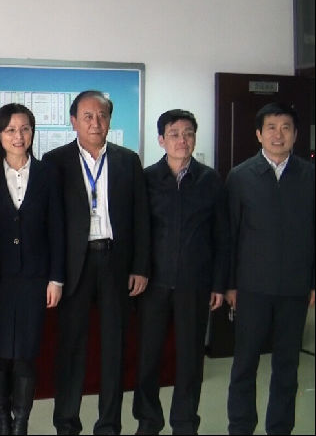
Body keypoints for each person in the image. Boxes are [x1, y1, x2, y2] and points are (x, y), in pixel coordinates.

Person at [43, 90, 150, 435]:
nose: (95, 122)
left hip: (115, 261)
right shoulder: (54, 161)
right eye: (87, 116)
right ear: (73, 121)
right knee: (71, 347)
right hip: (75, 264)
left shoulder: (128, 160)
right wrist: (53, 272)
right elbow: (50, 221)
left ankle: (109, 424)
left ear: (110, 120)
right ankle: (66, 423)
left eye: (102, 115)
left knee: (114, 347)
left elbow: (141, 217)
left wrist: (140, 266)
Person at [133, 109, 229, 435]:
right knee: (148, 358)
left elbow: (222, 236)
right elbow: (137, 232)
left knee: (190, 360)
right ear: (161, 140)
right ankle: (148, 421)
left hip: (195, 284)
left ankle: (185, 423)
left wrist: (219, 284)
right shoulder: (147, 179)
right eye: (174, 134)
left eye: (188, 133)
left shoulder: (210, 180)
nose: (182, 140)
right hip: (153, 285)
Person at [0, 104, 65, 435]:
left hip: (34, 278)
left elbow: (57, 228)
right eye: (10, 129)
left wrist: (56, 278)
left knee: (26, 352)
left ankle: (21, 423)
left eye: (25, 129)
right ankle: (2, 421)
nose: (18, 136)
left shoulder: (48, 173)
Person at [225, 102, 315, 435]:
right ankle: (241, 427)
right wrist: (229, 284)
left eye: (286, 127)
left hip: (295, 288)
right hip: (251, 288)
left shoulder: (309, 176)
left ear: (296, 134)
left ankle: (280, 428)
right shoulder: (240, 176)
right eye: (272, 128)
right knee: (245, 364)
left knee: (287, 366)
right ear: (259, 134)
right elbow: (229, 235)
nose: (279, 135)